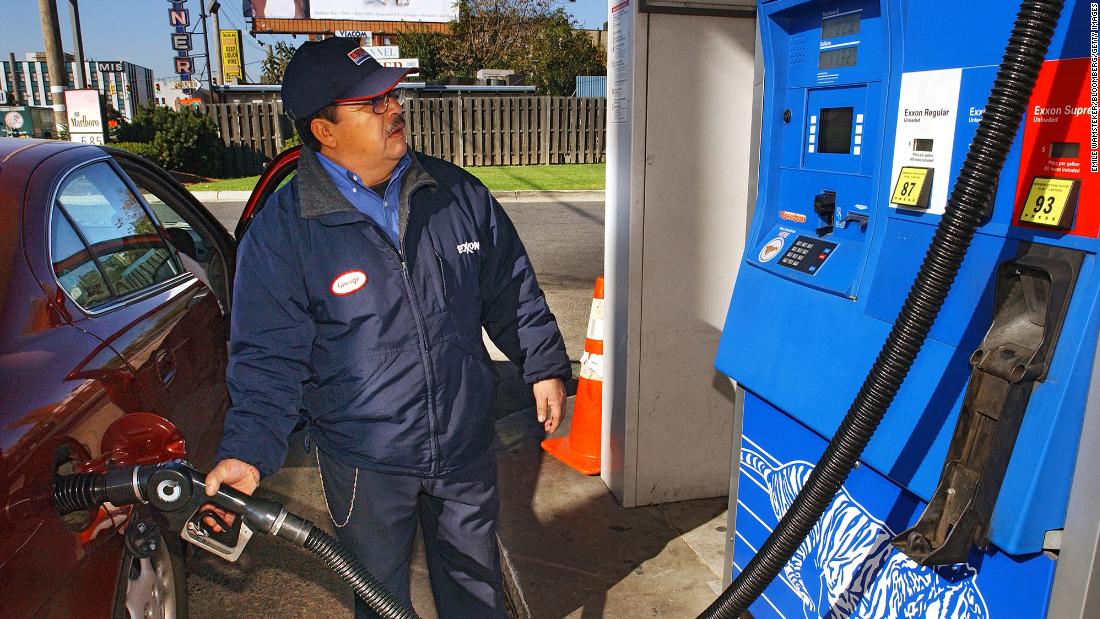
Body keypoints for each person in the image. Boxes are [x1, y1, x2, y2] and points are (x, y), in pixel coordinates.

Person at [202, 38, 571, 618]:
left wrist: (543, 363)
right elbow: (269, 359)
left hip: (464, 443)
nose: (393, 109)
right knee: (380, 600)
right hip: (364, 462)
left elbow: (511, 288)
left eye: (391, 95)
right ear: (324, 131)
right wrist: (246, 453)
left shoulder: (455, 194)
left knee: (477, 596)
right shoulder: (286, 230)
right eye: (371, 104)